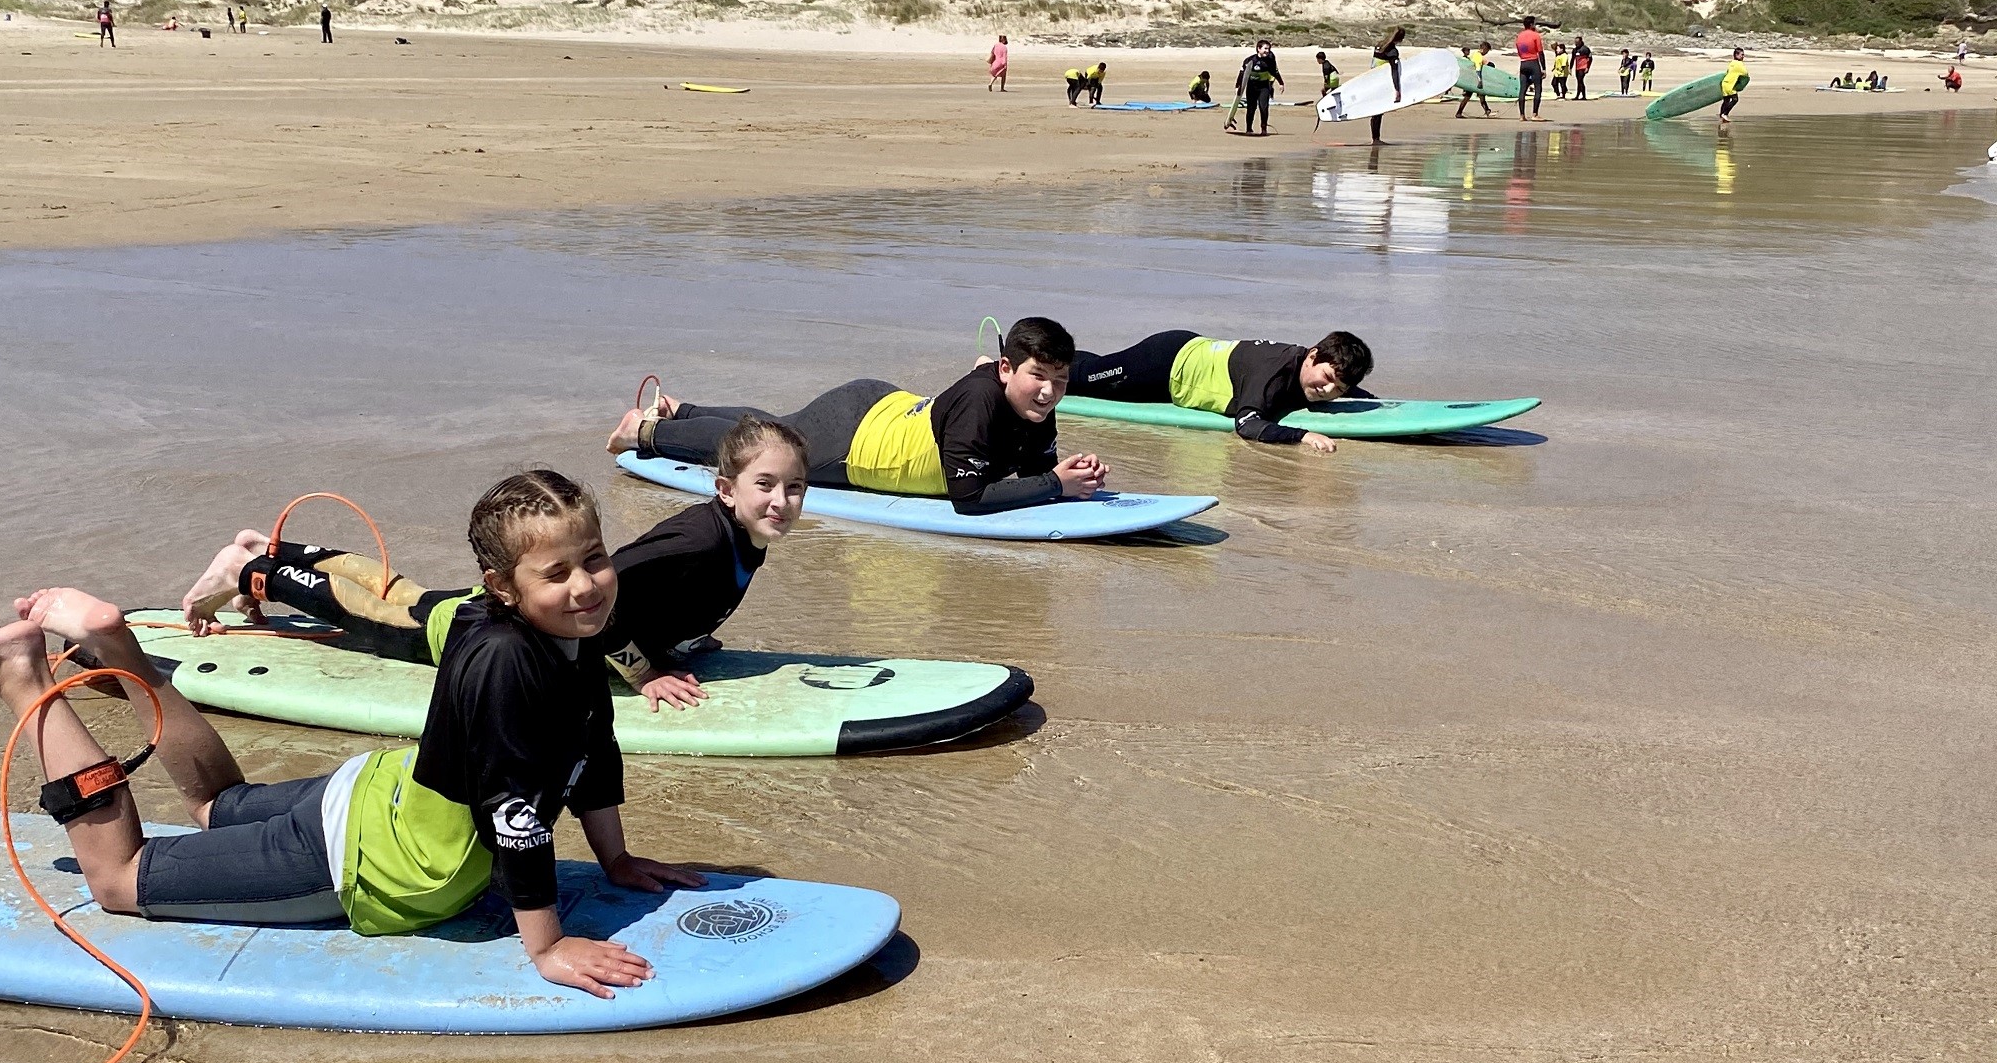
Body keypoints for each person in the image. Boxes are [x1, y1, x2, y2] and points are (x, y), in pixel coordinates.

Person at [0, 474, 705, 997]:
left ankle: (117, 648)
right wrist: (546, 946)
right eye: (557, 572)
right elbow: (514, 814)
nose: (586, 585)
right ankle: (23, 678)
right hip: (373, 864)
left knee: (215, 803)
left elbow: (593, 744)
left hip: (378, 795)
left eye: (595, 558)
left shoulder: (498, 617)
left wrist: (615, 858)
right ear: (503, 585)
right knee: (119, 880)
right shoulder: (509, 668)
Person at [183, 421, 808, 713]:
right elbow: (601, 589)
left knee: (397, 592)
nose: (781, 501)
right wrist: (644, 673)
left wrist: (673, 645)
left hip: (503, 607)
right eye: (765, 485)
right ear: (727, 490)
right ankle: (245, 572)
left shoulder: (735, 539)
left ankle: (268, 549)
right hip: (476, 631)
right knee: (376, 615)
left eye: (796, 487)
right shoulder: (699, 542)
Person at [610, 318, 1108, 516]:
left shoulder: (1036, 403)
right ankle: (647, 431)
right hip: (854, 439)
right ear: (1005, 368)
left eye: (1060, 380)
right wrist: (1055, 486)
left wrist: (1067, 477)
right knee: (770, 450)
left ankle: (683, 410)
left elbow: (1034, 470)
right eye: (1037, 376)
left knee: (782, 426)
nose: (1048, 392)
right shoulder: (982, 403)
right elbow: (969, 499)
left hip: (882, 406)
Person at [1068, 328, 1374, 455]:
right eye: (1327, 377)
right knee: (1081, 380)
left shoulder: (1309, 370)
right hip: (1163, 365)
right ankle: (1034, 364)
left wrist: (1371, 401)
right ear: (1313, 355)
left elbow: (1345, 386)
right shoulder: (1272, 373)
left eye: (1340, 388)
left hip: (1189, 352)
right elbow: (1247, 425)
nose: (1329, 389)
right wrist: (1302, 435)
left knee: (1099, 368)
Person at [1235, 40, 1283, 137]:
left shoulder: (1270, 61)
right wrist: (1237, 86)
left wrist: (1281, 83)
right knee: (1251, 108)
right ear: (1259, 49)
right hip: (1252, 87)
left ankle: (1263, 128)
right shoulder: (1249, 60)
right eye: (1265, 48)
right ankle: (1249, 128)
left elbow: (1275, 72)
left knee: (1264, 108)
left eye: (1268, 49)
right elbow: (1242, 74)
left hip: (1264, 87)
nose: (1267, 51)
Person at [1515, 16, 1545, 120]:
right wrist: (1543, 68)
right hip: (1533, 62)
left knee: (1522, 89)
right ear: (1531, 24)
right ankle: (1535, 114)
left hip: (1523, 63)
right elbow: (1540, 52)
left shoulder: (1519, 36)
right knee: (1538, 88)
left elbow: (1519, 51)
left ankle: (1522, 115)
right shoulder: (1535, 35)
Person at [1455, 42, 1494, 119]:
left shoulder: (1475, 53)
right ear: (1484, 49)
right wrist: (1480, 80)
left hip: (1471, 77)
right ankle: (1459, 113)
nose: (1487, 53)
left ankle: (1487, 110)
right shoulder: (1478, 56)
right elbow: (1478, 69)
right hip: (1474, 79)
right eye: (1487, 51)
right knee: (1468, 96)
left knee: (1480, 95)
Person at [1718, 47, 1749, 126]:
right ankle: (1725, 114)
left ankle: (1721, 115)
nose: (1743, 56)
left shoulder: (1732, 63)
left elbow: (1728, 71)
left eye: (1743, 55)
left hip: (1724, 83)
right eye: (1741, 55)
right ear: (1736, 55)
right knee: (1735, 99)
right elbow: (1745, 73)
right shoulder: (1739, 64)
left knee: (1726, 101)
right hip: (1730, 85)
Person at [1571, 35, 1593, 101]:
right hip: (1577, 67)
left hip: (1583, 67)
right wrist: (1570, 68)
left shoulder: (1585, 49)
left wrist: (1587, 67)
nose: (1576, 43)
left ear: (1581, 41)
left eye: (1577, 42)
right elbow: (1572, 59)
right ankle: (1578, 95)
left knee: (1580, 80)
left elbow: (1590, 58)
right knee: (1579, 81)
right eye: (1575, 42)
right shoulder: (1575, 50)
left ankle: (1583, 96)